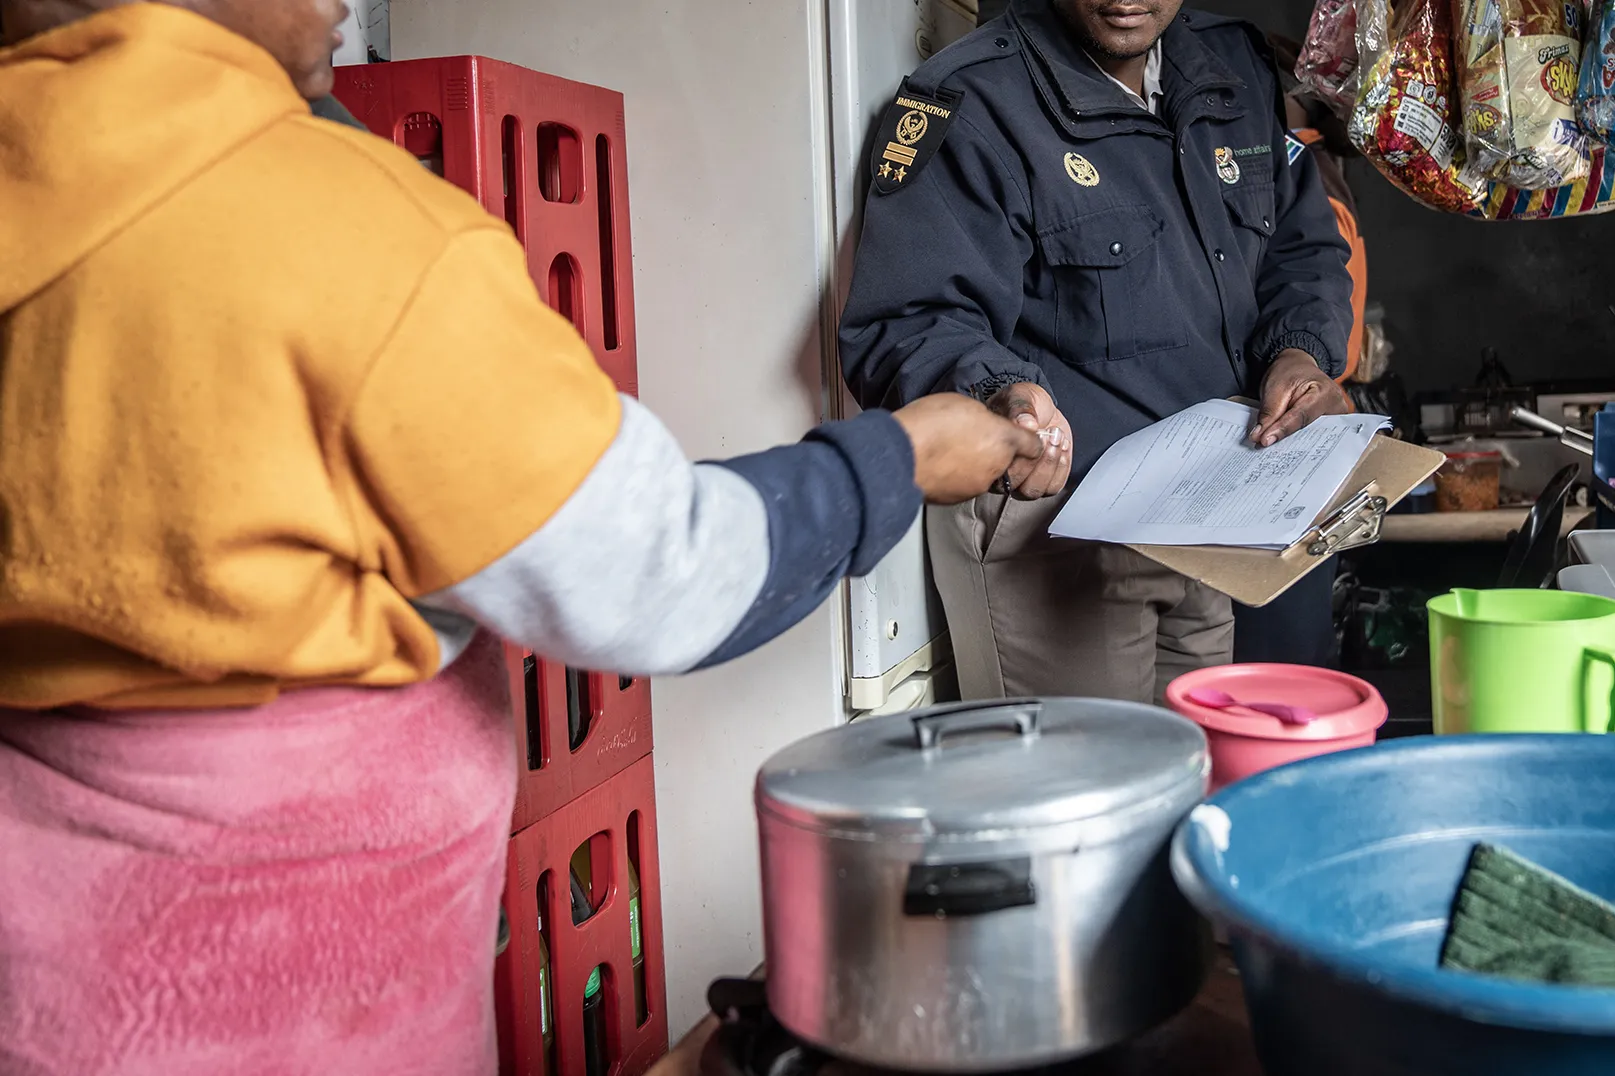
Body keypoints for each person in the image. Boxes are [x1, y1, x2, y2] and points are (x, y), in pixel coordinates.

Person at [0, 2, 1045, 1073]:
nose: (343, 4)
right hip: (297, 1005)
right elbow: (657, 568)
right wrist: (897, 459)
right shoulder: (351, 224)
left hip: (47, 982)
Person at [838, 0, 1355, 704]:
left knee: (1195, 766)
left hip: (1207, 510)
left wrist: (1299, 352)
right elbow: (907, 319)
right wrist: (1001, 393)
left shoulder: (1233, 65)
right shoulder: (972, 100)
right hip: (1055, 524)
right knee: (1080, 771)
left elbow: (1299, 249)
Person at [1228, 32, 1370, 668]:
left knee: (1277, 663)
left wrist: (1298, 355)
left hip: (1293, 419)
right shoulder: (1318, 172)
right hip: (1302, 417)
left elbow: (1322, 311)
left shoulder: (1293, 171)